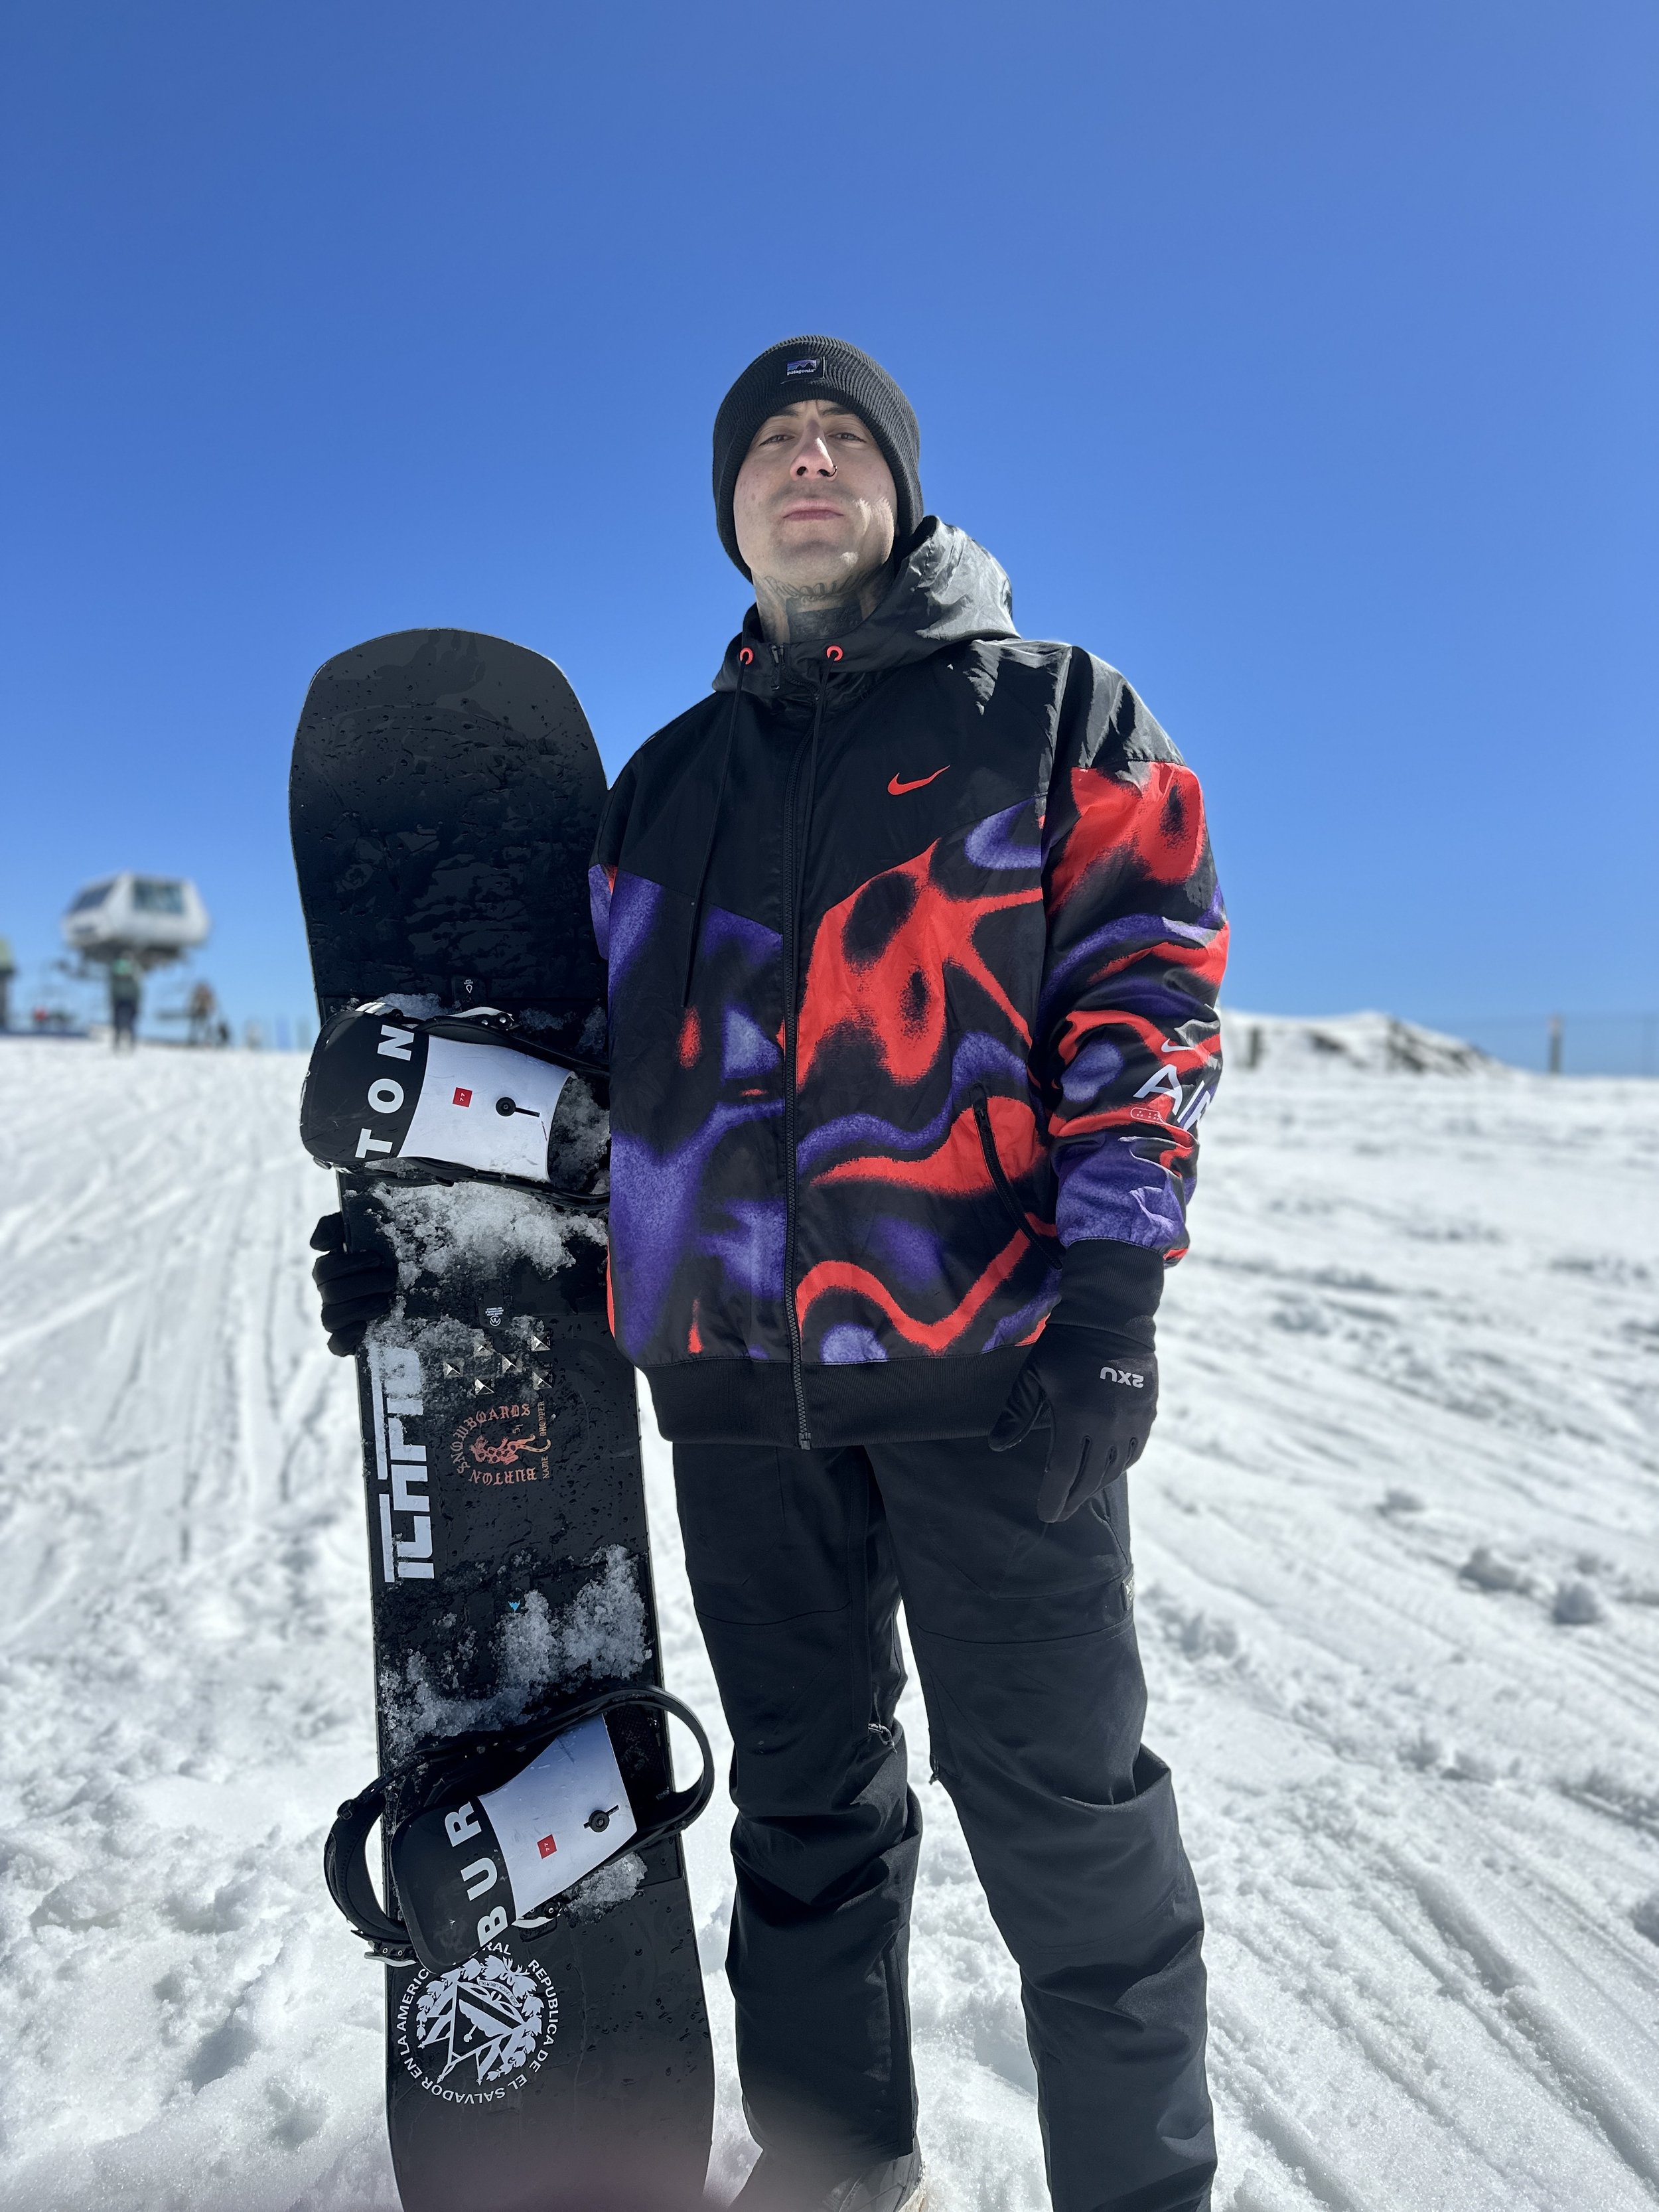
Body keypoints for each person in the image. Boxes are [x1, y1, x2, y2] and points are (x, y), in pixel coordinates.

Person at [313, 336, 1227, 2212]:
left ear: (900, 485)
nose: (808, 462)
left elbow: (1144, 1004)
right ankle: (832, 2164)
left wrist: (1113, 1305)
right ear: (731, 509)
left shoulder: (1057, 714)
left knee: (1066, 1817)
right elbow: (597, 1105)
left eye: (842, 437)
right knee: (806, 1810)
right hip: (734, 1393)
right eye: (771, 446)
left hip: (993, 1373)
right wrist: (419, 1242)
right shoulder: (662, 791)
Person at [108, 955, 141, 1050]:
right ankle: (117, 1042)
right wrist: (112, 1003)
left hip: (130, 1003)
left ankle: (131, 1043)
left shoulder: (132, 980)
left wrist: (136, 1005)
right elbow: (113, 993)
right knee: (117, 1024)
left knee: (130, 1025)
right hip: (119, 1003)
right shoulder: (116, 980)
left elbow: (136, 993)